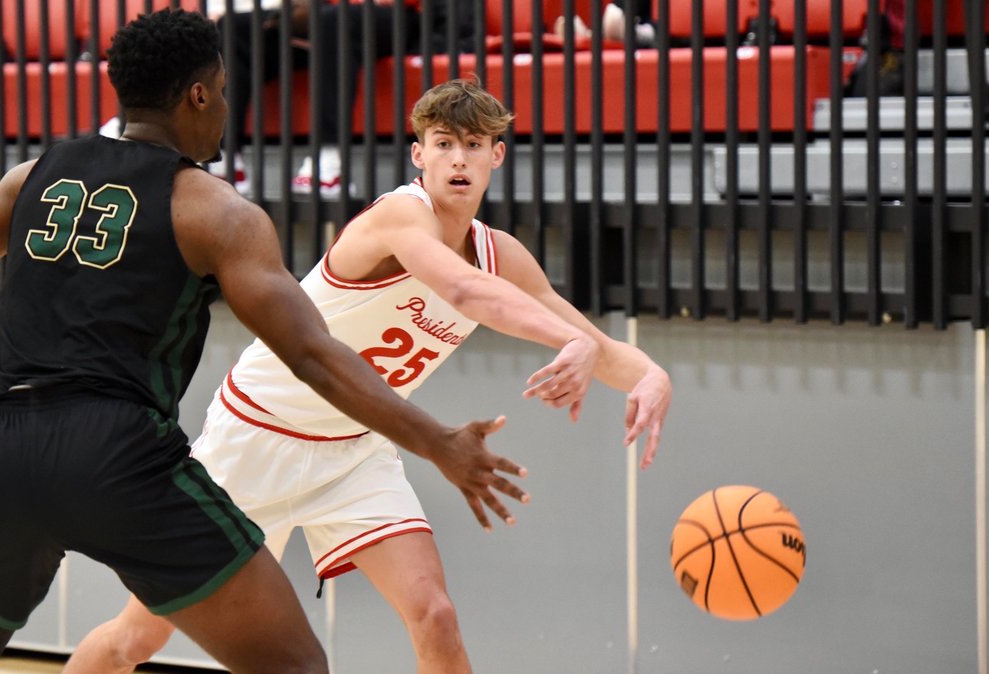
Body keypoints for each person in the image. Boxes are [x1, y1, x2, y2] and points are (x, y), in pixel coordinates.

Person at [0, 14, 539, 674]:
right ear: (196, 95)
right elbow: (312, 357)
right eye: (221, 89)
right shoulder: (215, 210)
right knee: (294, 665)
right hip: (119, 458)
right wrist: (438, 441)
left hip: (2, 451)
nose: (225, 105)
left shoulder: (36, 174)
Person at [65, 78, 673, 674]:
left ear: (496, 155)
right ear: (419, 154)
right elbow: (464, 291)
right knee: (137, 638)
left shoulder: (501, 255)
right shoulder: (396, 219)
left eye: (471, 144)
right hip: (255, 438)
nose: (457, 158)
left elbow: (592, 341)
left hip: (355, 450)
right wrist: (569, 341)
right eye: (442, 143)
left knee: (434, 614)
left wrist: (650, 376)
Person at [211, 0, 472, 196]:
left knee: (335, 21)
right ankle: (225, 157)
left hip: (400, 17)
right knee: (234, 27)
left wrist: (444, 39)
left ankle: (329, 162)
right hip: (326, 14)